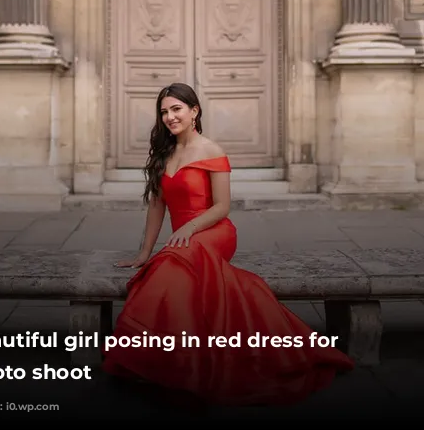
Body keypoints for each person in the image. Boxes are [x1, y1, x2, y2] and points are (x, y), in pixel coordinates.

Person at [102, 83, 353, 405]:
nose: (169, 117)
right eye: (164, 111)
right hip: (184, 239)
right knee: (166, 270)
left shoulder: (211, 150)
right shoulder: (164, 155)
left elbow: (222, 207)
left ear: (194, 111)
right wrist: (143, 252)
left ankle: (181, 363)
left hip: (214, 231)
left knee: (170, 266)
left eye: (176, 109)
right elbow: (156, 208)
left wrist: (190, 228)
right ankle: (173, 359)